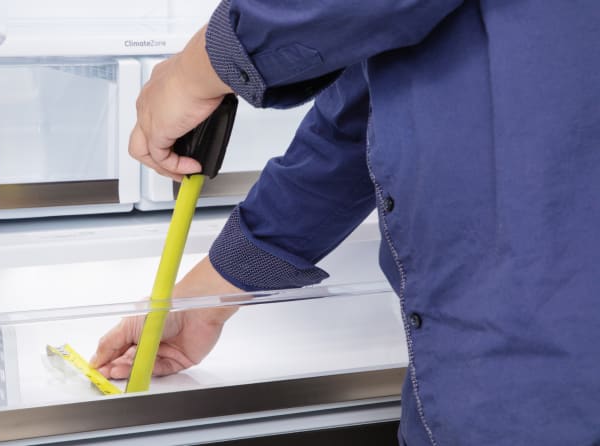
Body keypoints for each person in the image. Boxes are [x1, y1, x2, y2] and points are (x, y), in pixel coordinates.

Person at [91, 1, 600, 444]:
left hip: (544, 373)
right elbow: (363, 119)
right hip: (487, 378)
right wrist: (206, 300)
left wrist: (195, 68)